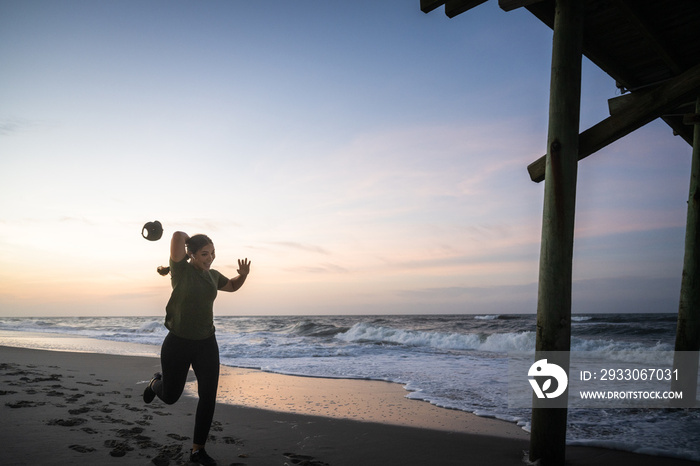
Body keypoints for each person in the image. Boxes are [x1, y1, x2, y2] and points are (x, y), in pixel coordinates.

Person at [143, 231, 250, 466]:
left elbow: (232, 286)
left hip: (206, 343)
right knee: (171, 396)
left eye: (212, 253)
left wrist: (243, 276)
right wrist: (190, 241)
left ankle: (197, 450)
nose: (210, 258)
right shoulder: (181, 270)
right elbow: (177, 235)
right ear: (191, 254)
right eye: (204, 254)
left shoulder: (213, 276)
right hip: (178, 343)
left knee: (208, 396)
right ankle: (155, 382)